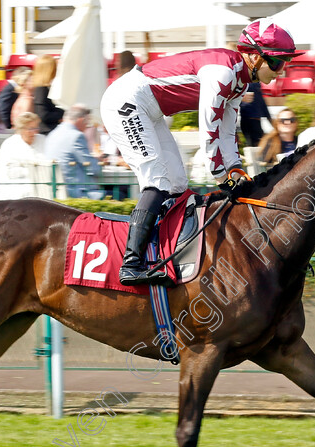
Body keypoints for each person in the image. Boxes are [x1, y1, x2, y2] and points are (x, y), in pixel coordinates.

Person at [101, 17, 302, 285]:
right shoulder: (224, 73)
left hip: (149, 109)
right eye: (277, 62)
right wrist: (221, 175)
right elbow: (209, 129)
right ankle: (131, 264)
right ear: (254, 56)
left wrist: (234, 167)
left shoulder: (240, 81)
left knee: (177, 182)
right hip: (126, 102)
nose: (281, 70)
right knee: (157, 180)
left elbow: (228, 131)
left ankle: (161, 251)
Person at [45, 104, 102, 199]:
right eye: (87, 121)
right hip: (77, 192)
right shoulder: (76, 136)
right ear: (81, 120)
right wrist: (98, 160)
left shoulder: (52, 134)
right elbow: (94, 169)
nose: (88, 125)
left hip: (57, 190)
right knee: (121, 193)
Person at [0, 112, 47, 200]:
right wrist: (31, 170)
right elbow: (10, 172)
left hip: (41, 186)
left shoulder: (42, 140)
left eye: (36, 128)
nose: (34, 132)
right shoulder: (10, 144)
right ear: (21, 130)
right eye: (30, 129)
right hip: (15, 189)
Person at [32, 55, 64, 134]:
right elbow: (43, 115)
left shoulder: (43, 89)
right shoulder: (41, 90)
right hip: (47, 131)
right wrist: (62, 113)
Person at [240, 82, 272, 146]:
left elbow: (261, 102)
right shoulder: (248, 83)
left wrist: (269, 118)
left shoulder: (255, 83)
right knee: (256, 145)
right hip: (249, 119)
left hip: (254, 120)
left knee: (256, 145)